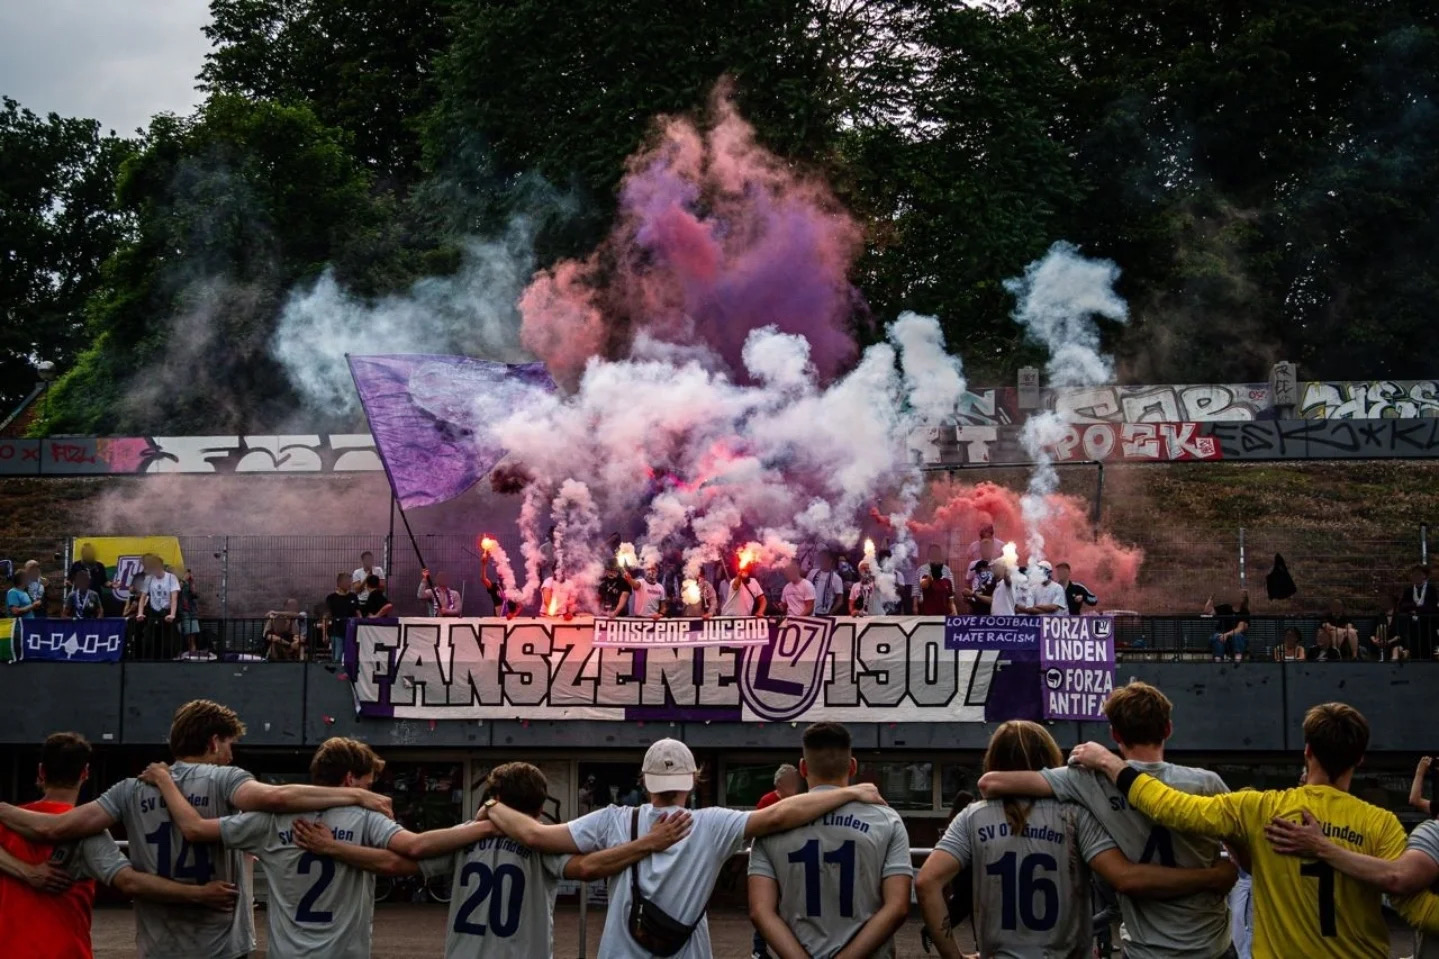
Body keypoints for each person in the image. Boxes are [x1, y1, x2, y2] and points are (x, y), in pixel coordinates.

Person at [0, 700, 394, 959]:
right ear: (213, 741)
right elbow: (276, 799)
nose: (231, 754)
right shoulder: (225, 780)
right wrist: (353, 798)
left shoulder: (131, 788)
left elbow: (52, 828)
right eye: (229, 744)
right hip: (221, 945)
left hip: (160, 944)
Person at [1066, 701, 1439, 958]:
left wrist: (1110, 764)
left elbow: (1170, 807)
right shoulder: (1382, 823)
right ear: (1359, 758)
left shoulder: (1260, 808)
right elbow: (1415, 907)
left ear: (1306, 751)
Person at [483, 738, 886, 959]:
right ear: (694, 779)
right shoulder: (712, 824)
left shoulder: (613, 819)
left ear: (644, 780)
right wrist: (849, 793)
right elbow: (780, 817)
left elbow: (536, 836)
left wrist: (493, 806)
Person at [142, 738, 520, 959]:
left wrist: (165, 780)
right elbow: (417, 847)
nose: (370, 791)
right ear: (350, 779)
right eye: (368, 783)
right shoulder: (364, 817)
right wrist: (486, 824)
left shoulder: (268, 820)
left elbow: (193, 828)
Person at [294, 760, 693, 959]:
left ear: (495, 800)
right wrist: (649, 843)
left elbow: (395, 863)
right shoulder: (544, 843)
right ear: (538, 809)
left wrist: (334, 847)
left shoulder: (465, 836)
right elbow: (589, 868)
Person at [919, 720, 1237, 959]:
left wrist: (954, 956)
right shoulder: (1076, 816)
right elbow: (1126, 877)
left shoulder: (973, 816)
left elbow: (926, 882)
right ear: (1048, 758)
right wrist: (1210, 877)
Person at [0, 732, 239, 959]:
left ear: (41, 772)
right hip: (64, 952)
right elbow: (128, 881)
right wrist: (201, 893)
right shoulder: (87, 833)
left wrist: (25, 871)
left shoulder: (10, 821)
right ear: (85, 773)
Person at [749, 723, 913, 959]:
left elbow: (760, 911)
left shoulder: (771, 824)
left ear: (803, 768)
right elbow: (897, 907)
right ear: (853, 766)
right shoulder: (887, 820)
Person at [136, 553, 181, 659]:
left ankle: (169, 659)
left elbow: (174, 598)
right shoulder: (149, 579)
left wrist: (172, 614)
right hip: (154, 612)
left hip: (166, 611)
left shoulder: (171, 578)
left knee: (167, 641)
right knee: (148, 640)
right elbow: (142, 597)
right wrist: (140, 613)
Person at [1396, 564, 1438, 658]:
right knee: (1414, 649)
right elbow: (1403, 606)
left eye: (1418, 574)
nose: (1415, 577)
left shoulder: (1431, 589)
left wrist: (1417, 609)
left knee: (1427, 650)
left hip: (1427, 625)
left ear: (1424, 576)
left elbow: (1432, 607)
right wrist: (1415, 607)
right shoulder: (1409, 590)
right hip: (1413, 625)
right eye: (1414, 574)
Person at [323, 573, 360, 658]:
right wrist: (324, 634)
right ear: (339, 583)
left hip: (351, 631)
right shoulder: (331, 598)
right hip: (336, 632)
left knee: (350, 657)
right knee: (337, 656)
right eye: (346, 581)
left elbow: (358, 614)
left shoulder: (353, 597)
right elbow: (326, 616)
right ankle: (336, 671)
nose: (349, 584)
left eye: (350, 581)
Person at [67, 544, 111, 612]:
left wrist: (111, 585)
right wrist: (74, 585)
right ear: (82, 553)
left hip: (95, 599)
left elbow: (104, 582)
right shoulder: (76, 565)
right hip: (79, 599)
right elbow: (69, 581)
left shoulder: (99, 566)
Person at [806, 550, 846, 616]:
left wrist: (831, 613)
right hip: (810, 611)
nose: (822, 561)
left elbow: (840, 600)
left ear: (830, 560)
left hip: (824, 613)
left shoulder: (836, 578)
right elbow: (804, 590)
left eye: (824, 559)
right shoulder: (812, 573)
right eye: (821, 559)